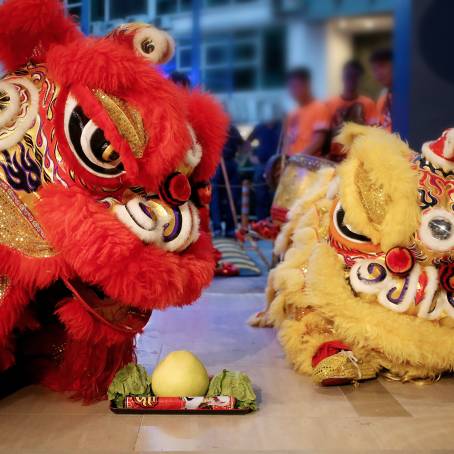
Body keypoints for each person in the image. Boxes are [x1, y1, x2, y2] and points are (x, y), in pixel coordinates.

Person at [326, 60, 377, 161]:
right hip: (334, 156)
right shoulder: (329, 104)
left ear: (360, 79)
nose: (351, 80)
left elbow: (374, 132)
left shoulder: (368, 103)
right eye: (348, 75)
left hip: (358, 157)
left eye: (355, 76)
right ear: (342, 76)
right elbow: (325, 135)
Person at [285, 67, 330, 157]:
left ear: (307, 85)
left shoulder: (319, 108)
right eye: (291, 87)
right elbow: (287, 141)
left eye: (296, 86)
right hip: (291, 164)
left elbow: (319, 141)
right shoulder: (292, 113)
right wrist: (283, 160)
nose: (293, 91)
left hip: (308, 165)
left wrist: (298, 158)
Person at [210, 123, 244, 237]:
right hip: (217, 163)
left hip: (231, 163)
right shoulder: (213, 127)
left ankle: (230, 228)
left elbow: (243, 145)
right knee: (215, 198)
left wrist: (240, 161)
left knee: (233, 196)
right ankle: (217, 228)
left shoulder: (233, 129)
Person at [247, 112, 282, 220]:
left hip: (277, 166)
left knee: (277, 197)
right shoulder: (260, 127)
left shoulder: (281, 127)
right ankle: (261, 223)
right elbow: (247, 142)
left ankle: (275, 222)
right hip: (261, 166)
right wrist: (251, 157)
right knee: (260, 195)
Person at [370, 48, 393, 131]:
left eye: (382, 66)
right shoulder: (382, 101)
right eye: (374, 69)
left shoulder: (409, 96)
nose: (378, 73)